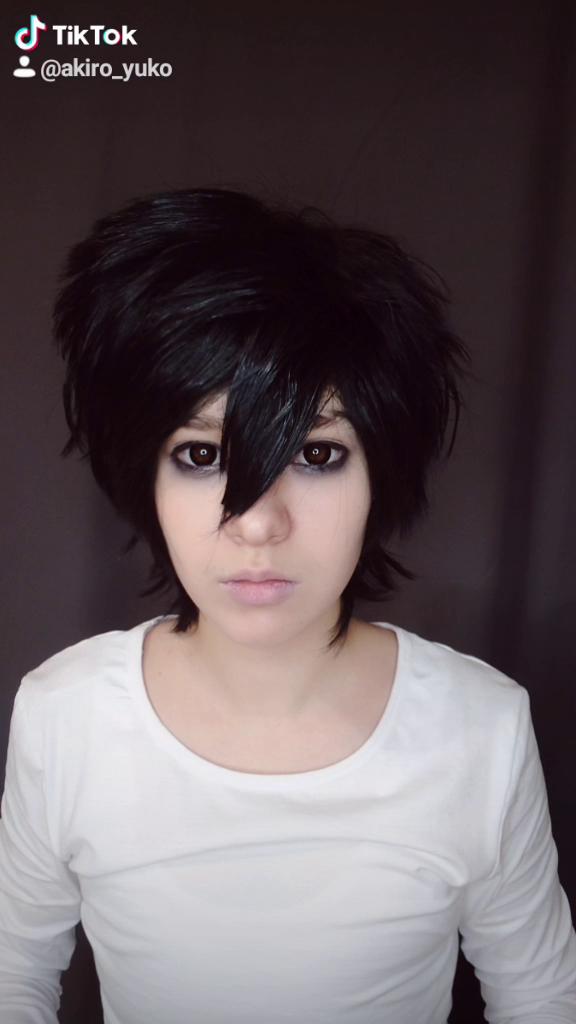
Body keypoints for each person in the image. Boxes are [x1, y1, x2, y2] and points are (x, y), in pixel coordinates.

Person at [1, 187, 575, 1024]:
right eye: (201, 455)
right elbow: (12, 974)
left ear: (382, 470)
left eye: (317, 453)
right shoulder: (65, 715)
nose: (258, 522)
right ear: (143, 473)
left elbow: (542, 997)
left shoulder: (482, 727)